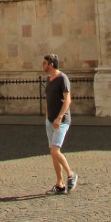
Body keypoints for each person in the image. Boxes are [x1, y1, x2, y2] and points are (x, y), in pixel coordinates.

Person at [42, 53, 78, 194]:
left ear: (51, 64)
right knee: (53, 153)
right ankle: (60, 184)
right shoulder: (49, 80)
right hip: (50, 120)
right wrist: (47, 116)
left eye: (44, 63)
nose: (43, 65)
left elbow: (67, 100)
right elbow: (48, 99)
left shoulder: (63, 78)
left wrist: (59, 117)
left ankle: (71, 174)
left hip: (61, 121)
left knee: (55, 150)